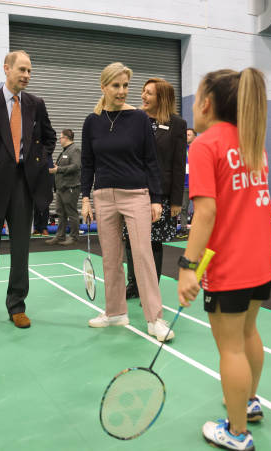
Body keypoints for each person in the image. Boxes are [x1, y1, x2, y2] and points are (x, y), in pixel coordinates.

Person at [177, 68, 271, 450]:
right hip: (262, 261)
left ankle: (236, 433)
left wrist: (187, 267)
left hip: (230, 266)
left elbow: (205, 214)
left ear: (206, 103)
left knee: (230, 347)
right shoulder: (254, 142)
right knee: (249, 332)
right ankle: (248, 402)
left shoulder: (204, 145)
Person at [81, 62, 174, 342]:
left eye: (125, 86)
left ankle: (154, 318)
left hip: (136, 195)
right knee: (110, 258)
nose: (122, 91)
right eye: (116, 86)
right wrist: (85, 198)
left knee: (143, 255)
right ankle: (115, 312)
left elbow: (151, 162)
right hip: (103, 197)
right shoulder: (92, 122)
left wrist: (156, 199)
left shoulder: (139, 119)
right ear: (103, 87)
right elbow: (88, 164)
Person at [0, 50, 56, 329]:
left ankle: (17, 305)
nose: (27, 75)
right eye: (22, 70)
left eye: (30, 71)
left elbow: (49, 137)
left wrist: (37, 161)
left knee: (20, 249)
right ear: (6, 69)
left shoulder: (35, 104)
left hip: (23, 184)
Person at [125, 77, 187, 299]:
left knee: (153, 241)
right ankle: (133, 285)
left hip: (160, 194)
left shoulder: (177, 124)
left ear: (161, 98)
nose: (143, 96)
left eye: (149, 93)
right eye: (143, 91)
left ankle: (150, 288)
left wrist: (177, 201)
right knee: (131, 238)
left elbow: (179, 165)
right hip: (132, 191)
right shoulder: (133, 119)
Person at [46, 128, 81, 245]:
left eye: (60, 138)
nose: (59, 140)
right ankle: (60, 236)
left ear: (66, 138)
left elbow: (76, 166)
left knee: (72, 212)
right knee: (60, 212)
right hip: (61, 187)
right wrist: (56, 167)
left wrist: (58, 169)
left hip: (70, 187)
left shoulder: (74, 150)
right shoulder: (65, 151)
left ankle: (74, 237)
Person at [176, 128, 197, 238]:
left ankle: (199, 231)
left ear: (195, 137)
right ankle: (183, 229)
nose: (186, 136)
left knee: (200, 209)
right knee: (183, 208)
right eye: (185, 134)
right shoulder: (181, 150)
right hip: (184, 184)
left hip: (197, 184)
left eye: (189, 135)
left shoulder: (199, 149)